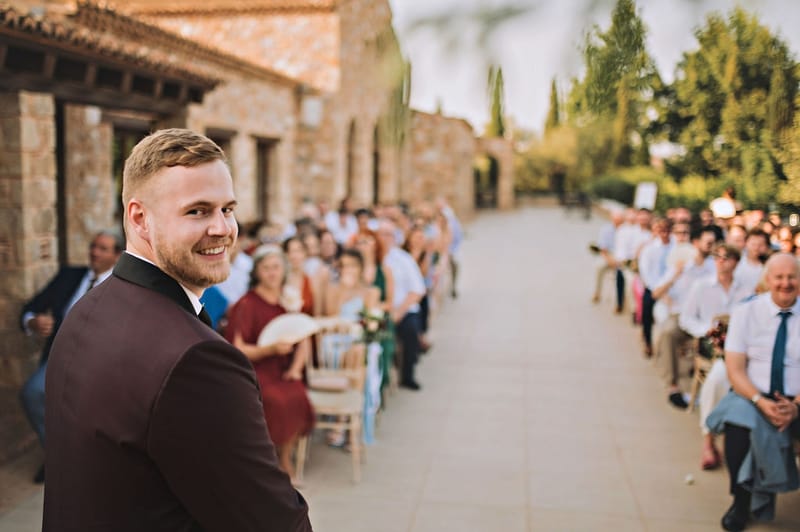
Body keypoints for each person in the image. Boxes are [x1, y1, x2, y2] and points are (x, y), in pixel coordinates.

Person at [44, 129, 311, 531]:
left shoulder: (87, 310)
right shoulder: (197, 360)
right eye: (197, 211)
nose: (223, 228)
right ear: (140, 218)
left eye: (228, 208)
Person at [19, 230, 122, 484]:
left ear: (118, 256)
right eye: (93, 246)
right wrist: (33, 322)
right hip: (60, 357)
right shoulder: (69, 275)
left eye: (103, 248)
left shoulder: (124, 286)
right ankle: (58, 456)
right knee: (31, 393)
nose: (94, 252)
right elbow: (30, 307)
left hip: (101, 365)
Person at [707, 253, 800, 531]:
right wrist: (760, 401)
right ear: (767, 280)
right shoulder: (746, 311)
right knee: (738, 428)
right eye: (779, 277)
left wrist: (795, 406)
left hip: (796, 400)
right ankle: (741, 501)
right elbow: (735, 370)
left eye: (792, 277)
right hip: (753, 395)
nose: (785, 283)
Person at [226, 245, 315, 481]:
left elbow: (303, 335)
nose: (272, 273)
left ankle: (284, 454)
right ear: (257, 272)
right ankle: (274, 460)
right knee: (276, 400)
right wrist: (271, 349)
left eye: (276, 267)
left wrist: (297, 368)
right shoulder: (246, 304)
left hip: (284, 368)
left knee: (299, 396)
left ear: (284, 270)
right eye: (266, 268)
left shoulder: (288, 301)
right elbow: (238, 348)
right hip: (255, 370)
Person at [678, 244, 751, 470]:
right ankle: (709, 440)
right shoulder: (701, 286)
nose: (721, 261)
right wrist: (706, 331)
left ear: (736, 262)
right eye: (717, 257)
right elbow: (686, 319)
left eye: (727, 257)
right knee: (718, 378)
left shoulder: (746, 290)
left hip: (740, 345)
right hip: (710, 342)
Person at [652, 226, 717, 409]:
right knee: (668, 333)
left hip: (707, 318)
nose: (712, 247)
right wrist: (675, 276)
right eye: (708, 243)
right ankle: (672, 385)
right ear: (696, 243)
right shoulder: (681, 266)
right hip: (682, 315)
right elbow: (656, 292)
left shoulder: (714, 268)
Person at [377, 219, 426, 390]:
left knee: (411, 329)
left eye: (388, 234)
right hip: (380, 309)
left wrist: (399, 311)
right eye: (381, 234)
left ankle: (408, 374)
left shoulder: (403, 259)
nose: (384, 238)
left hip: (404, 309)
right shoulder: (374, 258)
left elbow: (417, 290)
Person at [637, 218, 672, 357]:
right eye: (660, 230)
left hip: (670, 288)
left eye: (665, 230)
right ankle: (647, 342)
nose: (663, 233)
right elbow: (646, 272)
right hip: (653, 288)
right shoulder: (649, 249)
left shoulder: (674, 247)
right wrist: (658, 290)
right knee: (647, 309)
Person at [591, 210, 623, 305]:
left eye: (619, 219)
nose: (617, 221)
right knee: (599, 267)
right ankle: (597, 292)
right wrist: (610, 260)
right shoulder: (606, 229)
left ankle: (619, 301)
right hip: (609, 254)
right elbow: (603, 249)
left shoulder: (625, 230)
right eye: (616, 219)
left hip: (621, 256)